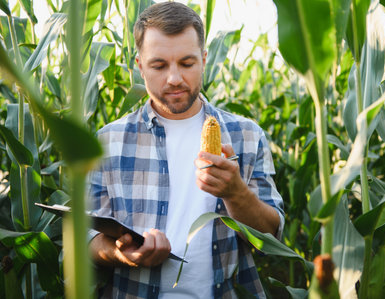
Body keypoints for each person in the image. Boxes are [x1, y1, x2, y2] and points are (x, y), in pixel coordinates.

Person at [88, 2, 284, 298]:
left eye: (187, 63)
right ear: (140, 66)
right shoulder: (106, 143)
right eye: (159, 65)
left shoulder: (246, 135)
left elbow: (271, 237)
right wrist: (122, 255)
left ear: (205, 60)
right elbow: (86, 239)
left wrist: (236, 193)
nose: (174, 78)